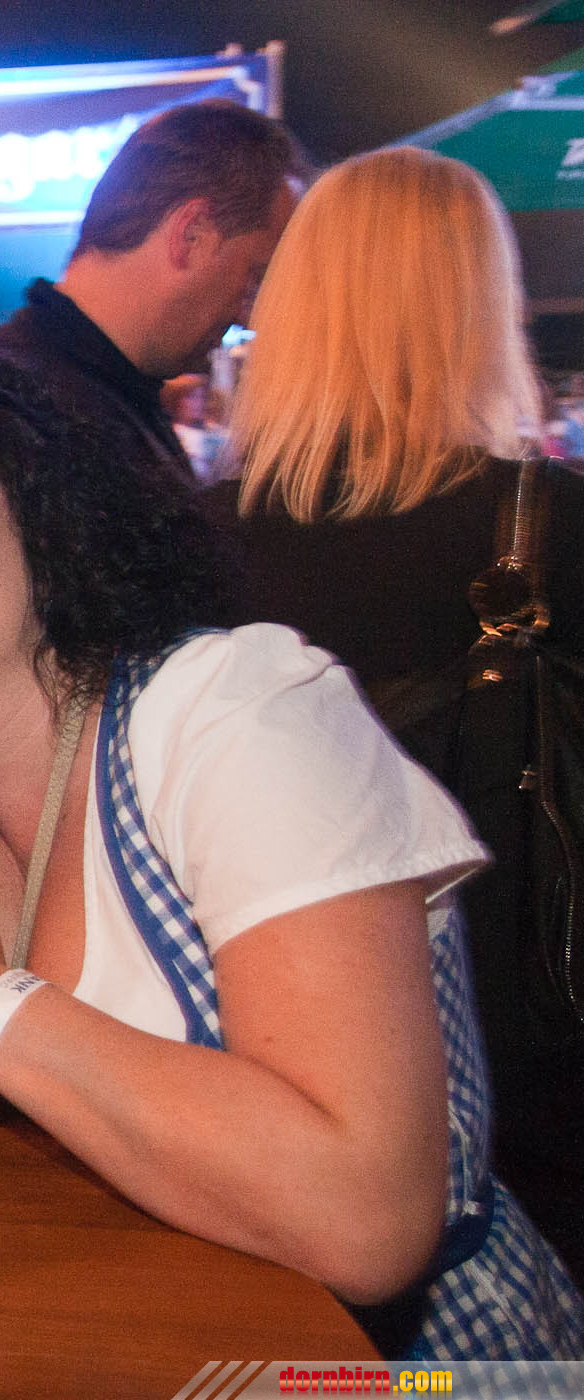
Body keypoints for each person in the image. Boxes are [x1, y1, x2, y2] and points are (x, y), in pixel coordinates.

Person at [0, 332, 584, 1359]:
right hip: (166, 1335)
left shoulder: (233, 712)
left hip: (402, 1370)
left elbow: (368, 1220)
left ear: (45, 525)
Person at [206, 146, 584, 1280]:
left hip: (272, 1048)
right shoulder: (555, 527)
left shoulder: (198, 540)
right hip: (532, 1032)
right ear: (481, 302)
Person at [0, 99, 303, 491]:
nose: (248, 317)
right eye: (254, 276)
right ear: (192, 234)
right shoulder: (38, 419)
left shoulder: (67, 395)